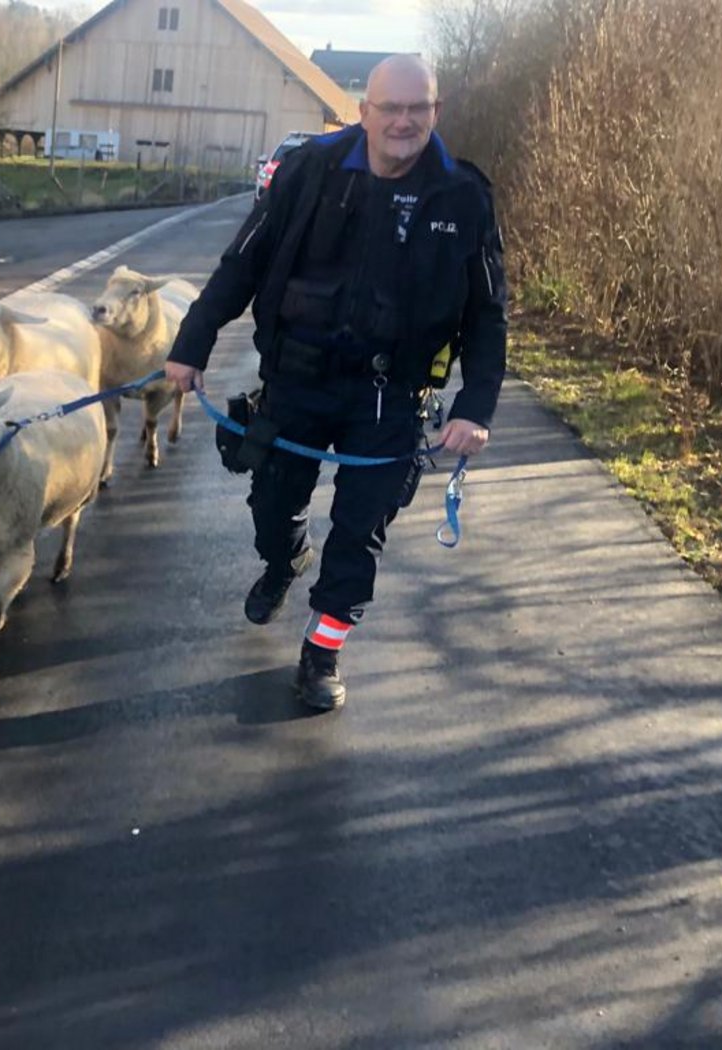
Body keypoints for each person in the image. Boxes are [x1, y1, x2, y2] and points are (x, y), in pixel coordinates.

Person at [164, 55, 507, 712]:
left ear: (434, 112)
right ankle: (284, 555)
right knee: (271, 504)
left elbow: (487, 313)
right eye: (390, 108)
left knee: (359, 532)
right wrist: (192, 344)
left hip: (390, 398)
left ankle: (322, 653)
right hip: (297, 378)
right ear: (365, 112)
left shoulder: (464, 198)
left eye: (418, 108)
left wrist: (476, 405)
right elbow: (243, 263)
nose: (403, 121)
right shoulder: (307, 171)